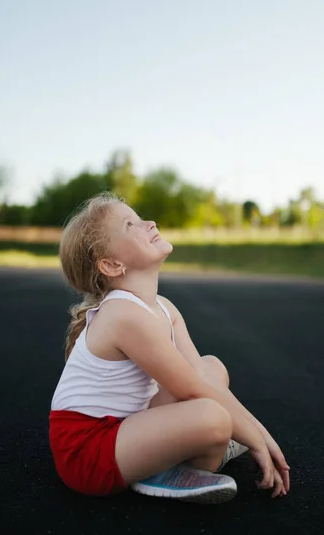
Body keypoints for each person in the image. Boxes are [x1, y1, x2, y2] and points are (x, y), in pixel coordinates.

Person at [49, 193, 290, 504]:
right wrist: (253, 439)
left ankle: (181, 458)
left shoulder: (164, 308)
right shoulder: (122, 315)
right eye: (130, 224)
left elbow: (201, 376)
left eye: (140, 217)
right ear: (111, 264)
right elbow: (192, 390)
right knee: (214, 418)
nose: (149, 223)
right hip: (87, 451)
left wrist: (260, 434)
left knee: (213, 367)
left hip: (128, 425)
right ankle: (166, 470)